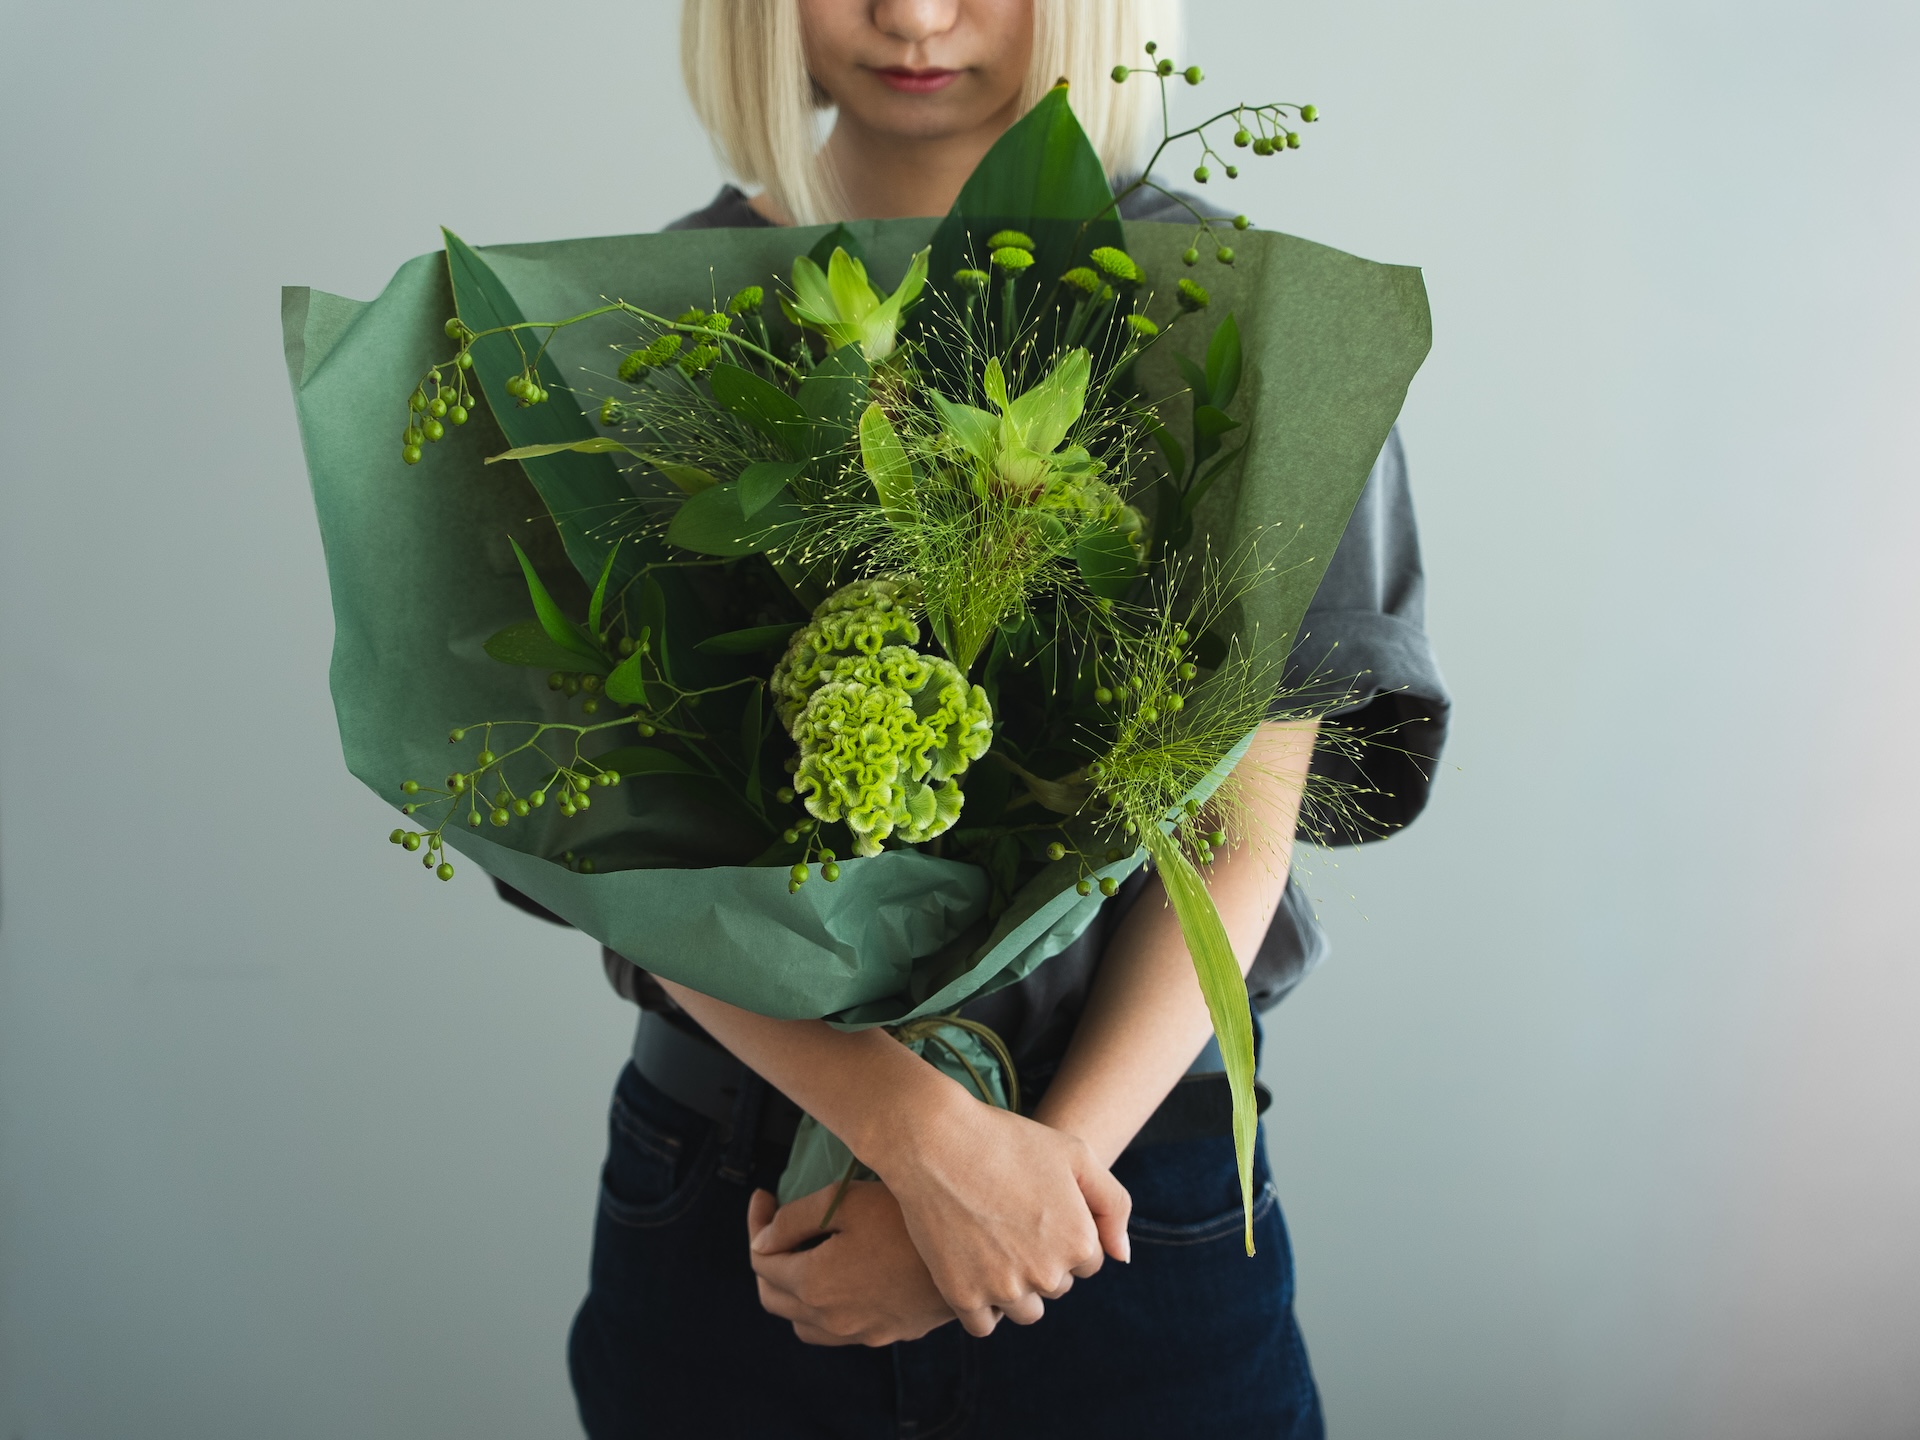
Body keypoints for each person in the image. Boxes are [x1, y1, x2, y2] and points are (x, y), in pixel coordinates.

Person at [495, 3, 1451, 1434]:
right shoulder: (634, 330)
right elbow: (613, 839)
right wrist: (917, 1140)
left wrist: (1025, 1187)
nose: (915, 14)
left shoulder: (1244, 319)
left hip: (1124, 1187)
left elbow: (1235, 839)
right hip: (745, 1197)